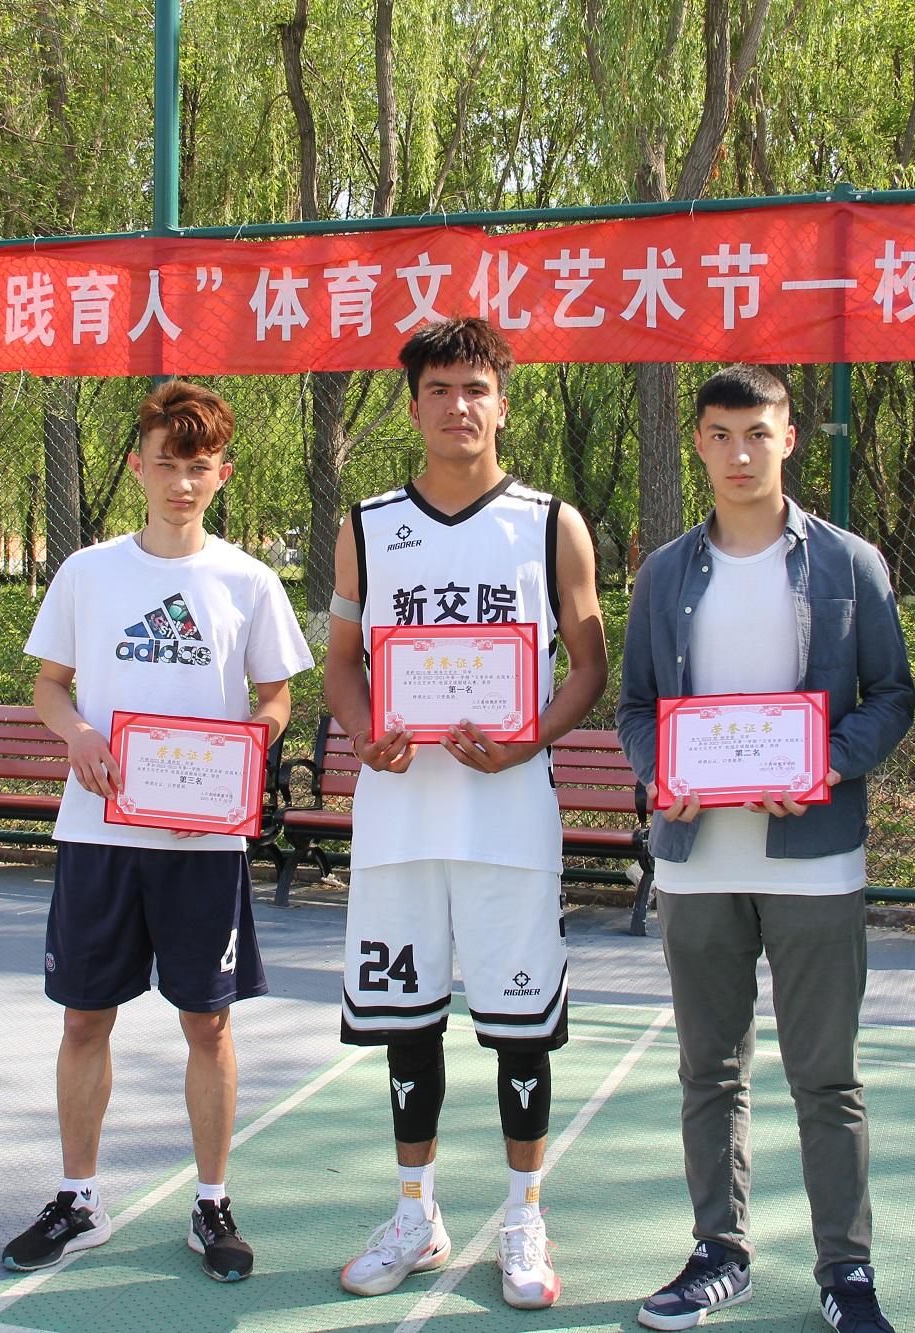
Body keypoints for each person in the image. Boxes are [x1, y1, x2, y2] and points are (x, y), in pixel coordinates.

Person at [616, 365, 915, 1333]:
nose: (738, 453)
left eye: (756, 433)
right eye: (719, 434)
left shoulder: (848, 563)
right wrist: (660, 769)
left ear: (788, 438)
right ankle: (719, 1250)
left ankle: (846, 1268)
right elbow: (634, 707)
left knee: (825, 1075)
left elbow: (892, 695)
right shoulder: (665, 572)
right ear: (697, 444)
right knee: (709, 1070)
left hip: (814, 860)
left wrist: (824, 762)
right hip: (695, 858)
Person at [3, 380, 314, 1283]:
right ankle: (78, 1197)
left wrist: (239, 756)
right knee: (84, 1016)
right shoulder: (87, 572)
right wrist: (78, 734)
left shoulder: (248, 581)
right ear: (138, 466)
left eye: (199, 466)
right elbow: (49, 685)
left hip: (203, 843)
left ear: (222, 474)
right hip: (100, 833)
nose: (182, 482)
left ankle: (212, 1200)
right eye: (167, 463)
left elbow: (276, 698)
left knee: (207, 1023)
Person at [325, 317, 607, 1310]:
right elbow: (341, 662)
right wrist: (364, 730)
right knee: (407, 1022)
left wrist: (531, 738)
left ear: (502, 402)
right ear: (413, 408)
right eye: (439, 389)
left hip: (508, 820)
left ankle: (524, 1215)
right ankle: (416, 1212)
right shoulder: (366, 524)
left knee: (519, 1026)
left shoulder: (550, 522)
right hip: (400, 820)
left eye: (475, 388)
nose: (458, 406)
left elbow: (588, 665)